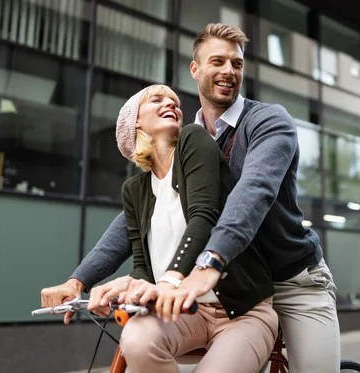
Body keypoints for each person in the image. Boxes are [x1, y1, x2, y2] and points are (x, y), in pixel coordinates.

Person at [41, 23, 340, 373]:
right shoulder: (186, 146)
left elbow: (254, 190)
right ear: (195, 69)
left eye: (237, 64)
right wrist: (80, 280)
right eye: (218, 61)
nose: (229, 71)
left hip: (293, 278)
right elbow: (131, 224)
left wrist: (210, 261)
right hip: (226, 283)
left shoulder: (267, 121)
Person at [113, 83, 277, 373]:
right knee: (136, 338)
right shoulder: (134, 190)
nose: (172, 105)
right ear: (135, 120)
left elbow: (204, 216)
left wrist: (169, 281)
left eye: (175, 102)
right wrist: (127, 284)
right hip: (185, 313)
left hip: (243, 313)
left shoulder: (194, 140)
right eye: (157, 100)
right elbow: (143, 266)